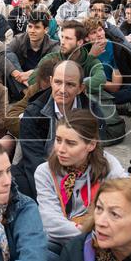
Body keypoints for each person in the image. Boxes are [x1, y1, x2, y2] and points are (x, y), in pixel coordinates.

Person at [14, 60, 107, 200]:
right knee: (16, 182)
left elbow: (96, 153)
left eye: (70, 84)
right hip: (43, 168)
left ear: (81, 88)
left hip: (78, 169)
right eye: (58, 82)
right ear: (51, 81)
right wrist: (52, 194)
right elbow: (33, 158)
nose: (62, 90)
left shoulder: (92, 113)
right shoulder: (34, 112)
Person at [34, 109, 126, 249]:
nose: (60, 149)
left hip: (102, 239)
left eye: (71, 143)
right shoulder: (45, 172)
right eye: (58, 140)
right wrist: (92, 235)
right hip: (60, 242)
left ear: (91, 145)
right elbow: (51, 222)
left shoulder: (108, 164)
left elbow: (128, 199)